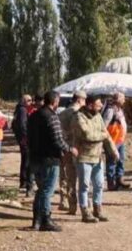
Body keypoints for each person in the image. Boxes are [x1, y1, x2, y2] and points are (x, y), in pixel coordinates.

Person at [27, 91, 78, 232]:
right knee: (46, 191)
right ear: (55, 101)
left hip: (35, 158)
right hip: (49, 159)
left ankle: (36, 221)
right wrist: (69, 149)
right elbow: (57, 139)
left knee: (41, 190)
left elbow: (28, 137)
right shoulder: (52, 117)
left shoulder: (33, 116)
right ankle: (46, 220)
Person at [72, 95, 120, 223]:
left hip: (98, 157)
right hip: (84, 157)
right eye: (98, 104)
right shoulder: (79, 116)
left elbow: (107, 136)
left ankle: (97, 209)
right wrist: (103, 134)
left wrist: (113, 152)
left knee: (99, 185)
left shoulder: (98, 116)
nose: (100, 107)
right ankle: (85, 212)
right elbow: (87, 135)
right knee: (84, 186)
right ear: (90, 105)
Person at [58, 91, 87, 213]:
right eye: (84, 100)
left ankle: (66, 202)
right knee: (80, 176)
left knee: (66, 175)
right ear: (80, 100)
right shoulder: (79, 113)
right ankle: (80, 204)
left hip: (64, 147)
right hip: (76, 148)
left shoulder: (62, 113)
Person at [103, 92, 130, 190]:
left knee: (121, 161)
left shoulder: (120, 110)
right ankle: (111, 183)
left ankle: (119, 180)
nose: (124, 100)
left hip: (120, 140)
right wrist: (107, 140)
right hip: (112, 141)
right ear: (118, 99)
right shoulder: (110, 110)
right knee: (111, 162)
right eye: (123, 98)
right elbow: (104, 126)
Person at [13, 94, 34, 194]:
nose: (31, 102)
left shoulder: (19, 109)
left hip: (21, 138)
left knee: (24, 160)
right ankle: (24, 181)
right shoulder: (22, 110)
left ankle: (23, 181)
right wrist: (26, 136)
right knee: (27, 161)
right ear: (24, 101)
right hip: (25, 139)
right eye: (29, 100)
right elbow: (22, 125)